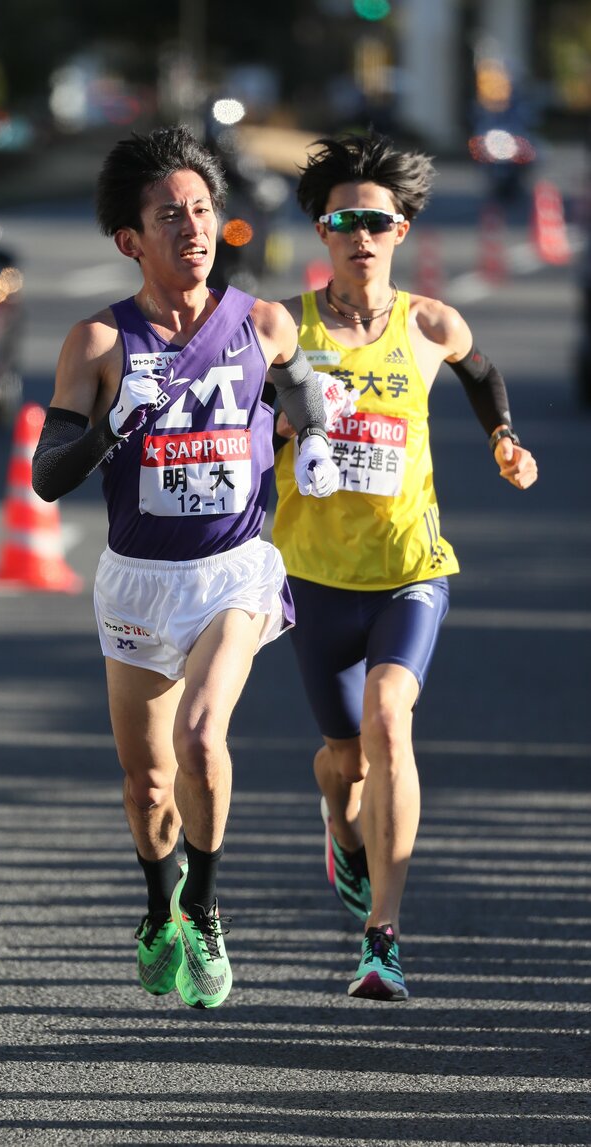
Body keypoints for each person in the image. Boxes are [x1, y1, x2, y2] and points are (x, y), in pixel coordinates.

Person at [31, 125, 339, 1010]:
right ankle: (157, 898)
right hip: (136, 579)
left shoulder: (262, 322)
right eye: (169, 216)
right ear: (130, 239)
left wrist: (311, 434)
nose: (193, 229)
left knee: (203, 737)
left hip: (233, 570)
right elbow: (49, 479)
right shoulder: (97, 343)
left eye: (202, 210)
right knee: (147, 781)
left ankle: (202, 904)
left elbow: (304, 379)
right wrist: (106, 428)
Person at [271, 131, 538, 1001]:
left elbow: (481, 370)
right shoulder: (286, 325)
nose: (360, 234)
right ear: (321, 229)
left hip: (409, 565)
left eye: (375, 221)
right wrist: (274, 428)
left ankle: (380, 935)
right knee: (340, 760)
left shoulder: (429, 322)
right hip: (313, 571)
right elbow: (237, 405)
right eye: (344, 219)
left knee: (391, 717)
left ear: (401, 228)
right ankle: (341, 834)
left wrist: (501, 436)